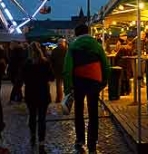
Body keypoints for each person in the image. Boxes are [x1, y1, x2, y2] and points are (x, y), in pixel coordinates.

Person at [63, 24, 110, 154]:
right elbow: (106, 65)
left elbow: (67, 69)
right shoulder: (97, 45)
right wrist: (104, 81)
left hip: (78, 82)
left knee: (78, 111)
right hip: (94, 81)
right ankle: (92, 142)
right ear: (88, 32)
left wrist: (68, 88)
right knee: (93, 111)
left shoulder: (72, 46)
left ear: (76, 34)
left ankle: (79, 139)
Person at [22, 41, 54, 151]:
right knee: (42, 118)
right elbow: (51, 77)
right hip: (43, 93)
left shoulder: (26, 63)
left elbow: (22, 79)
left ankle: (32, 135)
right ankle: (41, 142)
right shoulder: (45, 62)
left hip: (30, 93)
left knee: (32, 116)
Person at [50, 38, 68, 103]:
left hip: (57, 70)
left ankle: (59, 99)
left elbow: (51, 60)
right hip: (66, 70)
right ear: (64, 43)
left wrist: (53, 68)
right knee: (66, 85)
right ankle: (67, 99)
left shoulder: (55, 50)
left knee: (58, 85)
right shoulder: (67, 50)